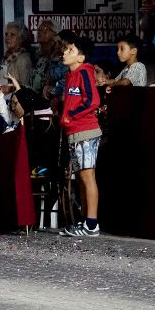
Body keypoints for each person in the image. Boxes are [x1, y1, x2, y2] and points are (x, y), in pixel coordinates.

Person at [58, 34, 102, 237]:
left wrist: (72, 115)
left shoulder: (85, 72)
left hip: (86, 131)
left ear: (81, 58)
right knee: (80, 178)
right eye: (65, 49)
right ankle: (85, 221)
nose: (65, 53)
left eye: (70, 50)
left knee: (87, 176)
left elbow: (93, 101)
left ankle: (92, 224)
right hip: (74, 133)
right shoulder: (69, 76)